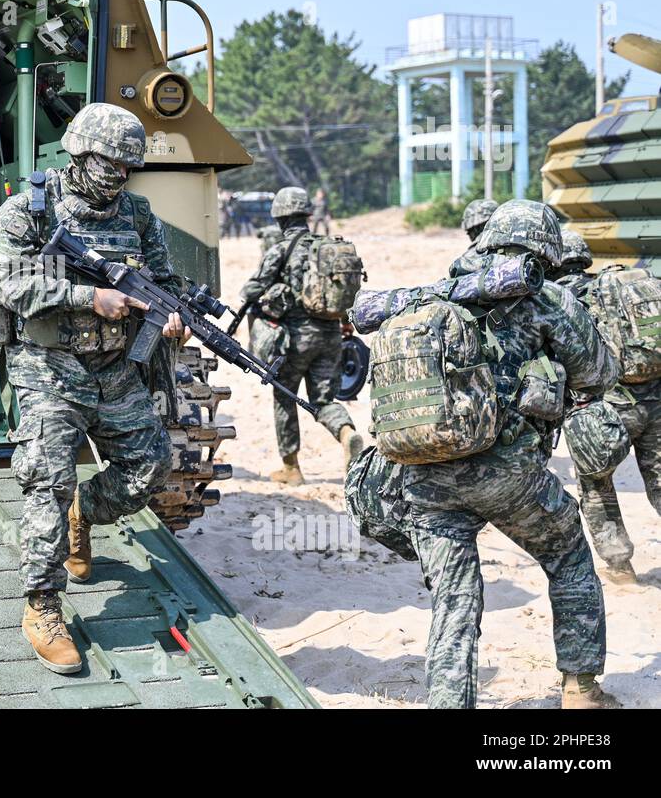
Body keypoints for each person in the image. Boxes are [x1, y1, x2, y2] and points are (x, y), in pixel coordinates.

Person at [0, 102, 189, 674]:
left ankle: (85, 513)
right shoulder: (26, 210)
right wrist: (86, 297)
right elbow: (11, 285)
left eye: (129, 168)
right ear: (78, 151)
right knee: (46, 482)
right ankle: (42, 604)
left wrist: (169, 314)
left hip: (114, 365)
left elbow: (163, 280)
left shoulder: (140, 214)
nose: (119, 177)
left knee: (151, 466)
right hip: (48, 365)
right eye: (110, 165)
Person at [405, 201, 621, 708]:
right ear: (544, 250)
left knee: (454, 600)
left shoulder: (437, 291)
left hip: (427, 474)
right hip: (509, 475)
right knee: (567, 556)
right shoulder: (545, 299)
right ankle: (581, 690)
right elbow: (600, 376)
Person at [551, 228, 658, 585]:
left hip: (608, 408)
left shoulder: (561, 299)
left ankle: (620, 567)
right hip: (655, 397)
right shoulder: (613, 288)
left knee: (596, 485)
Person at [240, 186, 364, 485]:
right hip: (331, 334)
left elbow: (251, 290)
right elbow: (342, 293)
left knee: (284, 396)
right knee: (323, 399)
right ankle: (347, 433)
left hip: (294, 340)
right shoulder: (328, 247)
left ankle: (291, 467)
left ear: (279, 216)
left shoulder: (280, 249)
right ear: (308, 214)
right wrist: (346, 324)